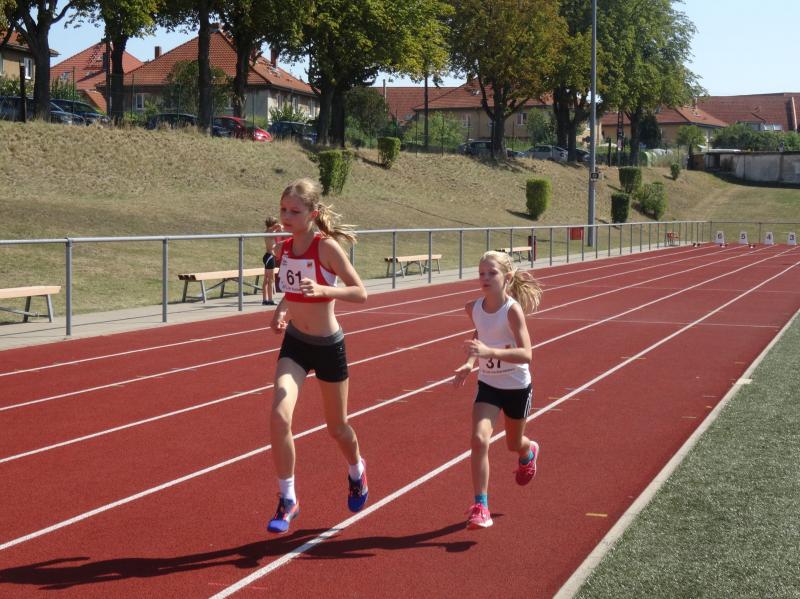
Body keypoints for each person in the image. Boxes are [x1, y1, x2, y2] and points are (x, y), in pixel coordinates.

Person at [266, 178, 369, 534]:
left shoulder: (326, 248)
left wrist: (325, 290)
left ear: (313, 214)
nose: (286, 217)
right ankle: (288, 498)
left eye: (294, 211)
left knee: (337, 428)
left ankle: (356, 470)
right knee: (279, 415)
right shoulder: (285, 248)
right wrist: (281, 310)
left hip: (328, 346)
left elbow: (360, 292)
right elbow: (291, 290)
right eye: (283, 210)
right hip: (295, 343)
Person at [453, 251, 543, 530]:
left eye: (492, 273)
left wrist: (489, 352)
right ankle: (481, 506)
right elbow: (481, 334)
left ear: (507, 277)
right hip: (489, 384)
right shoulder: (473, 307)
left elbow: (527, 354)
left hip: (516, 385)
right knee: (479, 439)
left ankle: (528, 450)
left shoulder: (512, 310)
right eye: (481, 273)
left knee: (513, 444)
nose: (485, 278)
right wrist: (470, 363)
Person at [262, 217, 283, 306]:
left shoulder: (268, 231)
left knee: (267, 279)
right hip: (270, 257)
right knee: (271, 279)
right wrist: (280, 227)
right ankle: (270, 300)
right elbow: (277, 227)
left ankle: (265, 299)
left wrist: (279, 229)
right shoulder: (270, 231)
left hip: (268, 256)